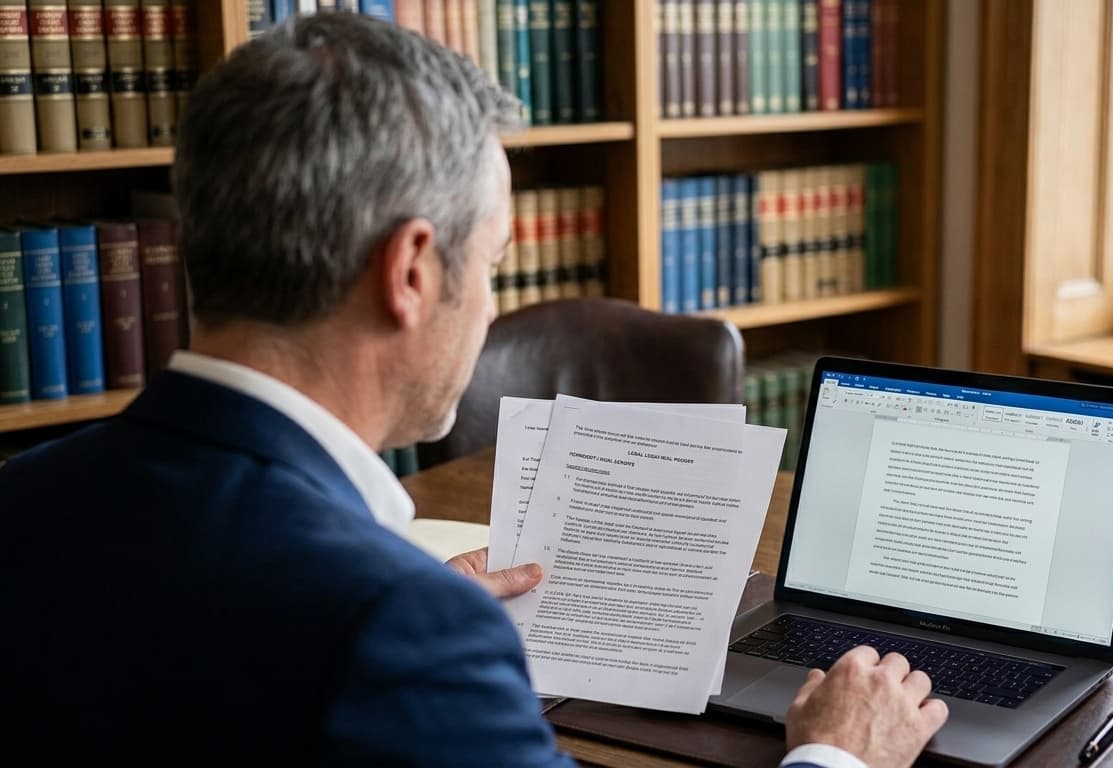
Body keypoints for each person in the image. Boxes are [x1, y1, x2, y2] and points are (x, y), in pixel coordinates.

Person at [0, 14, 947, 767]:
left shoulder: (23, 500)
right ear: (411, 270)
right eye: (492, 264)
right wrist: (835, 759)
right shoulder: (396, 627)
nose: (492, 308)